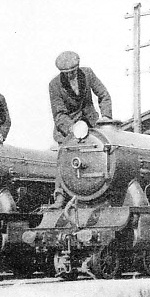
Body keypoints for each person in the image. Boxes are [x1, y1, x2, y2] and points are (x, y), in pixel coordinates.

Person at [47, 51, 113, 209]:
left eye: (72, 72)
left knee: (102, 155)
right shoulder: (54, 85)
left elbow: (104, 95)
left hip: (90, 122)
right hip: (67, 127)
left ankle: (100, 194)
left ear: (77, 68)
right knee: (63, 158)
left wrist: (106, 117)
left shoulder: (88, 73)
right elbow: (59, 113)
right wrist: (72, 128)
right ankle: (60, 197)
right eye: (66, 73)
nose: (70, 75)